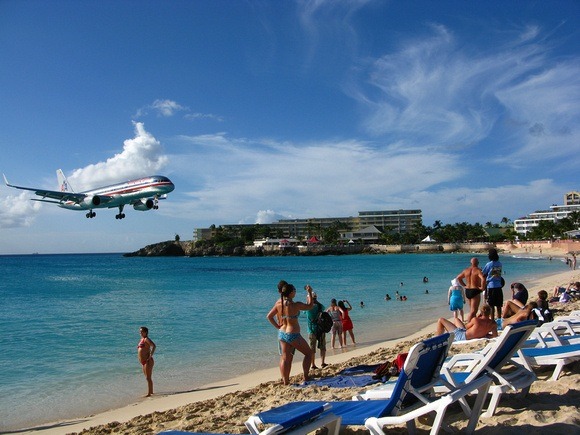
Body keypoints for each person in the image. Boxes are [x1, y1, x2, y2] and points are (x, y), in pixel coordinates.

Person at [267, 282, 314, 385]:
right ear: (291, 293)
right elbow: (310, 306)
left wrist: (277, 326)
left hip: (282, 333)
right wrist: (310, 292)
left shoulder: (279, 303)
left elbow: (269, 316)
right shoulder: (295, 305)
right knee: (308, 353)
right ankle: (306, 377)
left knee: (285, 358)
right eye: (294, 291)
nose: (295, 292)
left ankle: (285, 381)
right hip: (293, 334)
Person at [456, 257, 485, 322]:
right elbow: (483, 279)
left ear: (471, 263)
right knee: (473, 311)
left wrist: (464, 285)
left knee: (472, 310)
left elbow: (458, 278)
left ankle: (473, 323)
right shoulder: (478, 270)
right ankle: (468, 325)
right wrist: (482, 288)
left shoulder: (466, 270)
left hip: (468, 291)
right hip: (475, 290)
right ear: (477, 263)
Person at [305, 291, 327, 369]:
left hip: (311, 330)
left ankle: (313, 364)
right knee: (322, 346)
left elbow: (304, 312)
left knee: (312, 348)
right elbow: (323, 309)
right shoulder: (320, 306)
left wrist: (307, 301)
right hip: (321, 329)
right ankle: (323, 362)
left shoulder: (308, 308)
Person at [482, 248, 504, 320]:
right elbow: (496, 273)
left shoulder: (489, 264)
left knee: (491, 305)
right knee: (498, 305)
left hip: (491, 286)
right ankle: (499, 319)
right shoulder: (499, 263)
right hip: (498, 285)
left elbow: (483, 274)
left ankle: (492, 319)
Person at [137, 326, 156, 397]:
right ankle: (151, 392)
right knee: (147, 378)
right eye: (140, 331)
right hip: (143, 362)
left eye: (142, 331)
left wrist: (150, 355)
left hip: (148, 361)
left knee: (148, 377)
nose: (140, 333)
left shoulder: (146, 339)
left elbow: (154, 346)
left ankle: (149, 393)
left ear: (146, 332)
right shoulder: (142, 339)